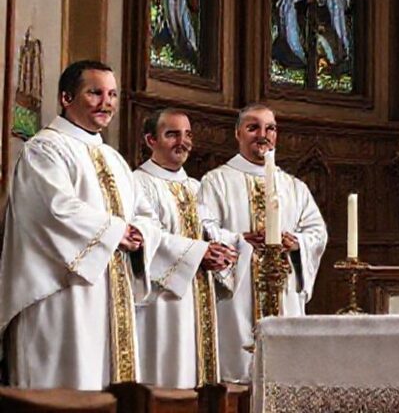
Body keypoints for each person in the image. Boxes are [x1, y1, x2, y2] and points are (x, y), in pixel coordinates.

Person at [0, 60, 160, 389]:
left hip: (110, 291)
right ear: (65, 98)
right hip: (61, 292)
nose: (107, 103)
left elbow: (145, 212)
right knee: (68, 383)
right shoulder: (45, 149)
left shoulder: (114, 159)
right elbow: (54, 209)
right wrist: (117, 231)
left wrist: (140, 232)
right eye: (95, 93)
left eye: (113, 94)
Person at [199, 103, 327, 383]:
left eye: (270, 128)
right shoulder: (216, 181)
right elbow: (203, 227)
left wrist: (297, 243)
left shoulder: (294, 187)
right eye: (253, 127)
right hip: (237, 293)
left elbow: (317, 233)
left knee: (285, 378)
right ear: (238, 133)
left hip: (284, 292)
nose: (263, 134)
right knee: (237, 378)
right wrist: (239, 240)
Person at [134, 109, 237, 388]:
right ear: (150, 140)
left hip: (198, 294)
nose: (183, 141)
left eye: (188, 134)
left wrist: (223, 249)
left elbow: (209, 227)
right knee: (166, 376)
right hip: (161, 298)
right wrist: (199, 252)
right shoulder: (138, 182)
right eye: (172, 134)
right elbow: (147, 236)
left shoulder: (195, 186)